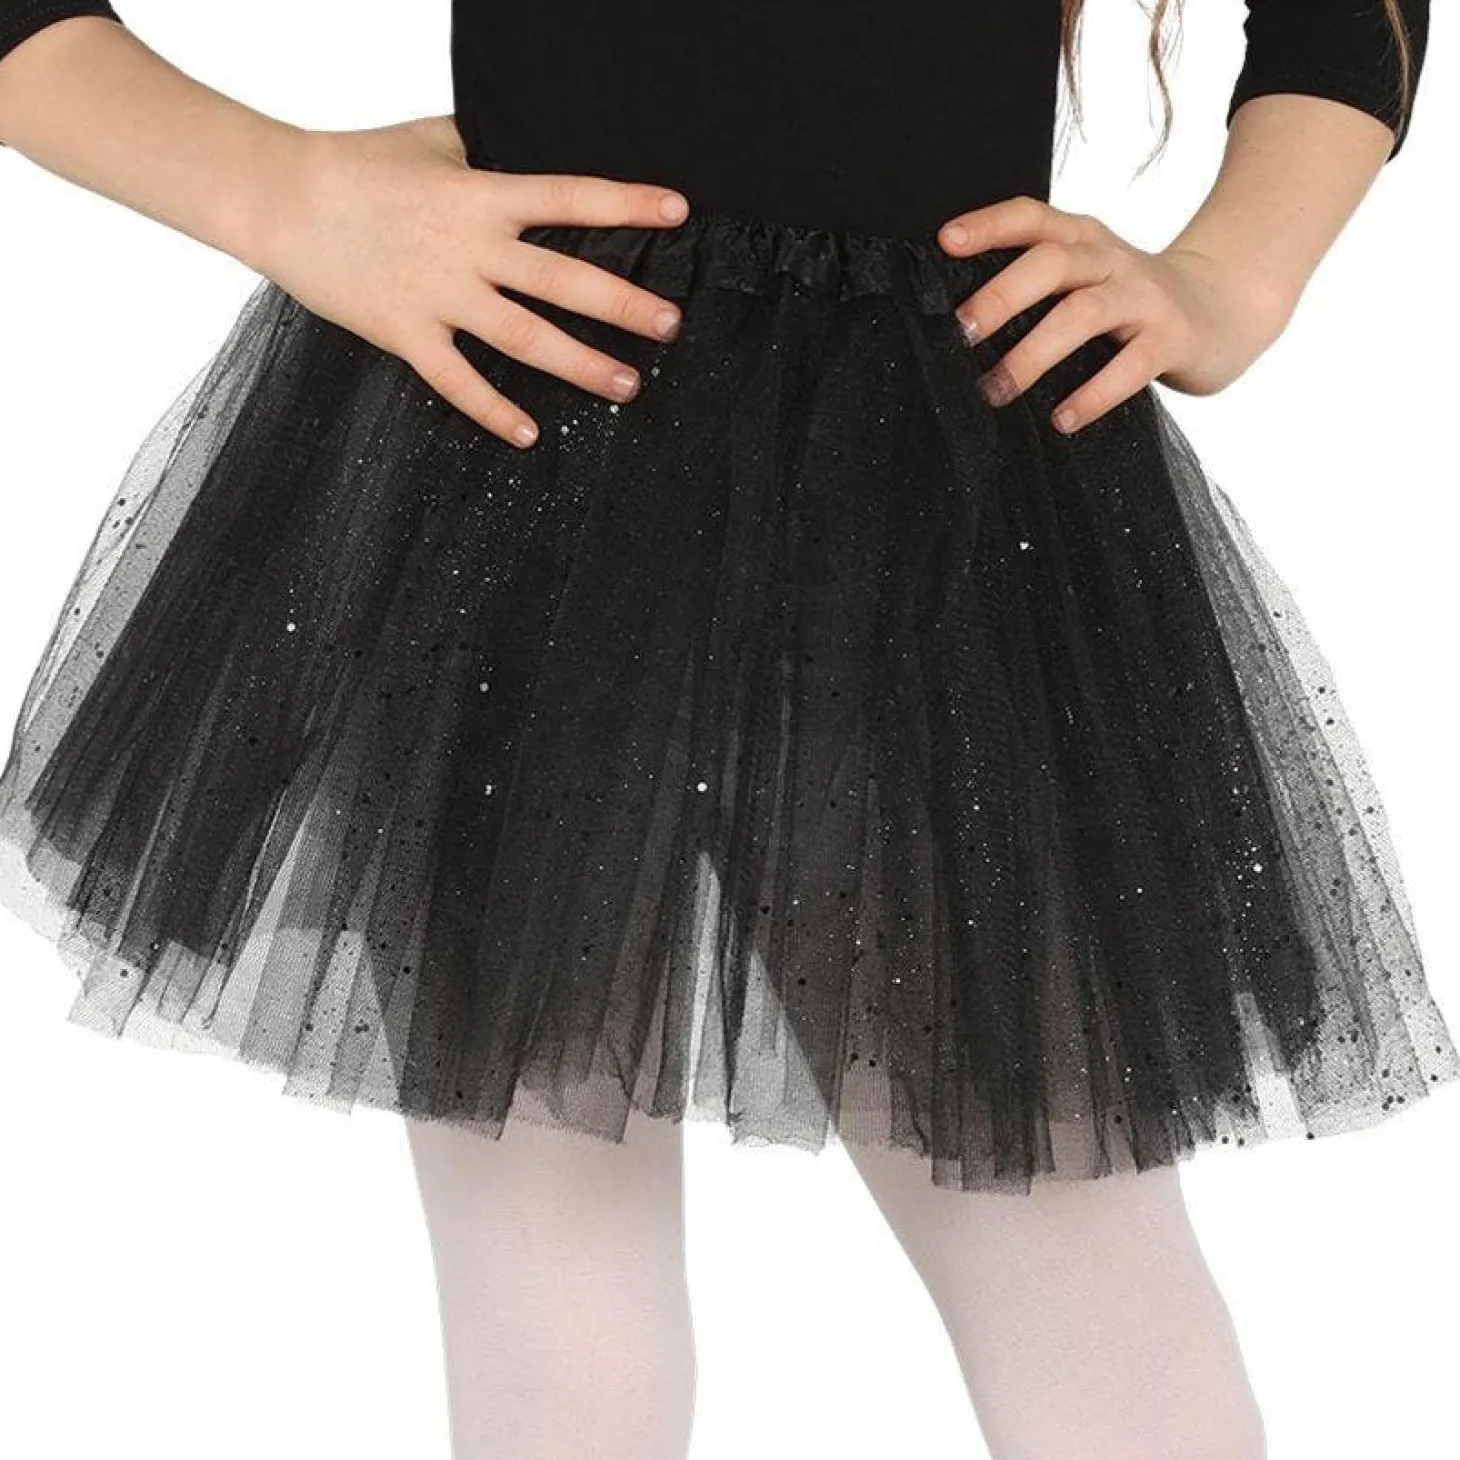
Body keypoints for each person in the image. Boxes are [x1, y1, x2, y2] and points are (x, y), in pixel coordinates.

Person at [0, 4, 1455, 1458]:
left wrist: (1230, 276)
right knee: (556, 1305)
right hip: (524, 435)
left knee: (1063, 1259)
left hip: (919, 497)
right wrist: (282, 193)